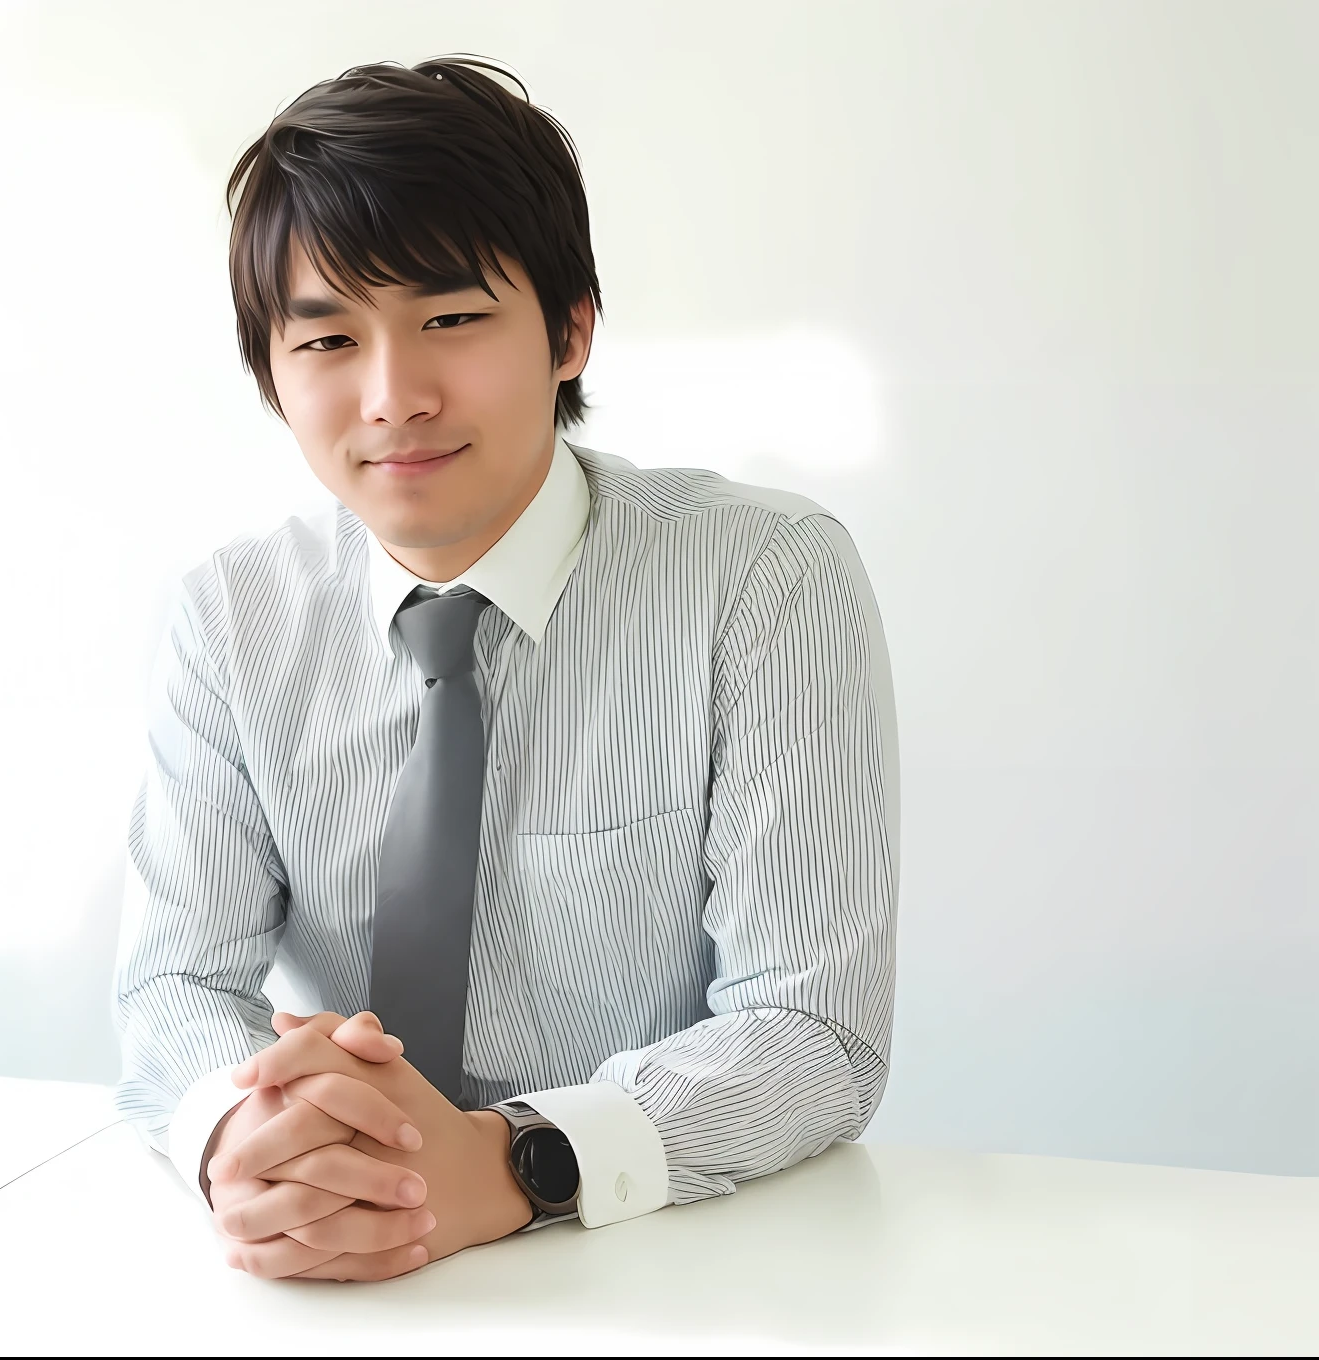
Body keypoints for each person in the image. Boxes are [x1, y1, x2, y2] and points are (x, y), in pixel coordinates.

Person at [113, 56, 898, 1283]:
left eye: (450, 319)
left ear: (570, 326)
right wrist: (244, 1135)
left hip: (675, 1269)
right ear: (271, 374)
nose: (393, 397)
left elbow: (813, 1029)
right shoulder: (230, 617)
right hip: (325, 1282)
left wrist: (518, 1160)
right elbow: (172, 981)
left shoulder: (764, 583)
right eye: (326, 336)